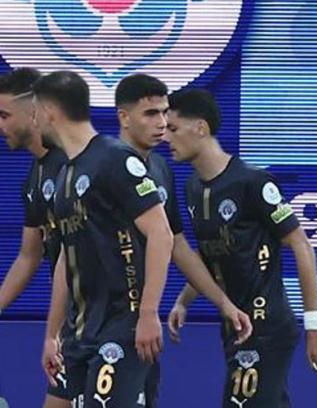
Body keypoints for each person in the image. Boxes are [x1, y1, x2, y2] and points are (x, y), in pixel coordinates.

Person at [165, 88, 317, 407]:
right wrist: (183, 301)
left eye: (173, 128)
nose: (165, 137)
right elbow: (209, 254)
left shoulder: (252, 182)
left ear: (200, 128)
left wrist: (313, 324)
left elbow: (301, 245)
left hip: (266, 325)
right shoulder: (192, 188)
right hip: (235, 325)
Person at [35, 71, 173, 407]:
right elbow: (66, 259)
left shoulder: (115, 159)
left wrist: (148, 313)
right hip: (81, 332)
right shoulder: (65, 174)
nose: (34, 122)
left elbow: (161, 234)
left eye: (35, 112)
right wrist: (52, 334)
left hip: (122, 326)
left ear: (49, 112)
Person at [114, 74, 252, 406]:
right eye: (151, 114)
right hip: (100, 327)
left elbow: (177, 245)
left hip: (142, 328)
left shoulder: (160, 169)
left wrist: (224, 304)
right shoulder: (102, 164)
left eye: (164, 114)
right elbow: (68, 250)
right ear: (124, 117)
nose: (162, 124)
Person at [0, 68, 69, 408]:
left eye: (4, 115)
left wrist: (52, 334)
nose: (0, 125)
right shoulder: (35, 177)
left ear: (33, 111)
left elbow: (73, 257)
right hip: (74, 325)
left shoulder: (73, 166)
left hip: (102, 323)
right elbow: (29, 256)